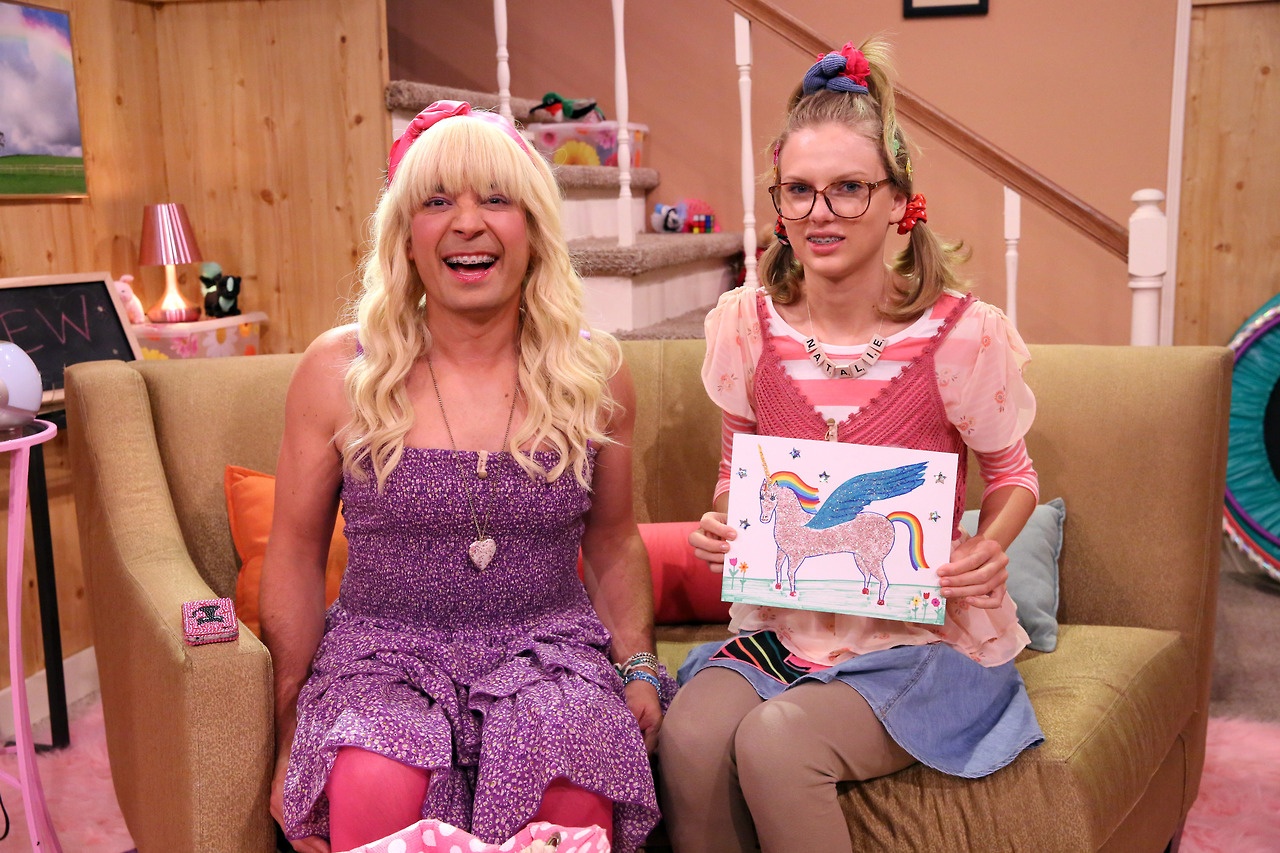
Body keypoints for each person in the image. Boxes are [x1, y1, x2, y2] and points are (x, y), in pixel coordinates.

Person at [656, 38, 1045, 853]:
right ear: (780, 204)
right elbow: (734, 471)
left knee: (777, 741)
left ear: (901, 202)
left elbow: (1013, 474)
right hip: (785, 624)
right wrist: (725, 520)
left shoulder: (960, 334)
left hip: (915, 636)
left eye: (848, 188)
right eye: (799, 191)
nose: (820, 212)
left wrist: (991, 544)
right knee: (689, 735)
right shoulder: (745, 325)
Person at [259, 100, 672, 853]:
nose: (468, 224)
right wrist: (290, 730)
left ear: (534, 230)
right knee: (375, 779)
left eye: (497, 199)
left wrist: (639, 664)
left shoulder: (595, 372)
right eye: (437, 202)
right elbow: (293, 553)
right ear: (405, 237)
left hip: (547, 655)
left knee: (574, 773)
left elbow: (614, 542)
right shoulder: (337, 371)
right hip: (381, 657)